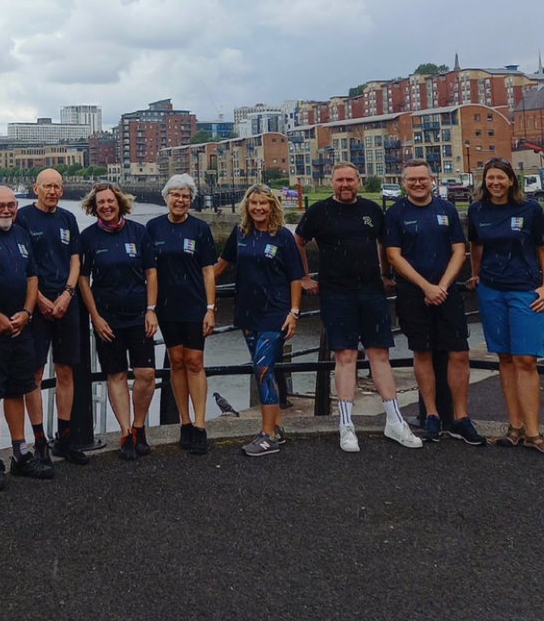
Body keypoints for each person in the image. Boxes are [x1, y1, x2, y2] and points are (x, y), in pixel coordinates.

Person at [295, 162, 422, 453]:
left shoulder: (372, 210)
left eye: (350, 180)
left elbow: (385, 244)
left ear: (359, 181)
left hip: (371, 291)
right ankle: (346, 425)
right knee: (345, 355)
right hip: (336, 293)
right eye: (339, 180)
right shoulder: (319, 211)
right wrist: (303, 276)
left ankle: (394, 420)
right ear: (332, 182)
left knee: (379, 353)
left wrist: (386, 273)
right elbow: (298, 241)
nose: (345, 184)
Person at [383, 159, 484, 446]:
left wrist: (442, 286)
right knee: (423, 352)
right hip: (413, 293)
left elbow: (459, 250)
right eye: (411, 179)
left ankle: (461, 418)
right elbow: (394, 256)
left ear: (432, 180)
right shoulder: (395, 214)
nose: (417, 183)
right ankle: (432, 415)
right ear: (404, 182)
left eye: (422, 179)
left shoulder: (446, 209)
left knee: (458, 353)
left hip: (447, 292)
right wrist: (426, 286)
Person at [467, 158, 544, 456]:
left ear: (511, 181)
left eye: (501, 178)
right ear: (485, 181)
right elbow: (476, 246)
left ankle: (534, 432)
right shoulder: (477, 210)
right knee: (505, 359)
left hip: (524, 290)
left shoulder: (530, 210)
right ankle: (514, 428)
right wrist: (476, 274)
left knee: (526, 361)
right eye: (490, 178)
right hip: (491, 290)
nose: (495, 183)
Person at [215, 184, 303, 457]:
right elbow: (220, 265)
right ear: (247, 206)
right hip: (247, 313)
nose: (258, 208)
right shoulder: (240, 233)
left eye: (264, 203)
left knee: (264, 369)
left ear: (272, 206)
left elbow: (295, 278)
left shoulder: (283, 237)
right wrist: (197, 287)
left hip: (275, 313)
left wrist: (294, 312)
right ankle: (276, 426)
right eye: (253, 203)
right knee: (262, 370)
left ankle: (267, 436)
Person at [0, 185, 51, 490]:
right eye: (0, 205)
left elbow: (32, 276)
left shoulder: (20, 234)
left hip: (21, 326)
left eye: (11, 205)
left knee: (18, 389)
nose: (6, 210)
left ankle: (20, 451)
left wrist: (27, 313)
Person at [78, 182, 158, 461]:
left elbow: (151, 273)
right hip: (107, 319)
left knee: (146, 375)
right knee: (117, 375)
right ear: (94, 207)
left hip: (139, 315)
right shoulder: (88, 238)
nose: (106, 206)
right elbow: (82, 280)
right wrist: (95, 317)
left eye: (110, 201)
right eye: (101, 203)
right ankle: (125, 432)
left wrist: (151, 309)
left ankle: (139, 427)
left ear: (119, 202)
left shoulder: (139, 232)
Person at [16, 168, 88, 464]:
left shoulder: (68, 219)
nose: (53, 191)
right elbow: (20, 263)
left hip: (66, 302)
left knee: (66, 371)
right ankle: (38, 441)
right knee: (33, 373)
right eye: (47, 186)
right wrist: (41, 301)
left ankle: (65, 438)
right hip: (36, 305)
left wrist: (68, 293)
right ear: (36, 189)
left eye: (57, 186)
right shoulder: (23, 218)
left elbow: (76, 260)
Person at [146, 174, 217, 456]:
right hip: (165, 305)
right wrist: (149, 308)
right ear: (166, 198)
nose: (180, 200)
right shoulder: (153, 228)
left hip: (194, 304)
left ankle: (200, 424)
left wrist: (211, 308)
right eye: (176, 195)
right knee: (176, 361)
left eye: (186, 196)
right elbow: (148, 271)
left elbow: (208, 270)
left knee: (195, 361)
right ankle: (184, 422)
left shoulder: (199, 229)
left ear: (191, 200)